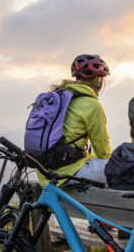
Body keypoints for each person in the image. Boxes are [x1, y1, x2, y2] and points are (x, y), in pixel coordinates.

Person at [35, 54, 112, 187]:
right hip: (66, 174)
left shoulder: (60, 95)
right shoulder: (92, 105)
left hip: (44, 173)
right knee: (116, 167)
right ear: (98, 80)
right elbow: (103, 152)